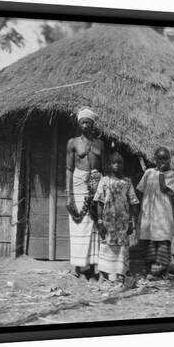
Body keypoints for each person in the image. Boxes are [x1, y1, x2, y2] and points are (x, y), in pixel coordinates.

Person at [66, 106, 106, 279]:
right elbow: (68, 169)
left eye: (88, 122)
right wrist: (69, 194)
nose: (85, 126)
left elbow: (102, 167)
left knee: (95, 221)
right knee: (79, 223)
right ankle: (77, 266)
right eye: (82, 122)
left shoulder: (99, 144)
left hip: (96, 180)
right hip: (78, 182)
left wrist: (103, 186)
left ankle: (93, 266)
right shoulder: (73, 142)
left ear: (93, 124)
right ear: (79, 124)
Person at [94, 152, 140, 283]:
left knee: (122, 247)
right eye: (114, 162)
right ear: (109, 165)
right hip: (108, 221)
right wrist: (100, 221)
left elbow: (134, 202)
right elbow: (99, 201)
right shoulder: (104, 181)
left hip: (123, 222)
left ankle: (121, 274)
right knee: (105, 245)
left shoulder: (127, 182)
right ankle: (103, 275)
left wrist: (132, 222)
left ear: (123, 165)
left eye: (119, 162)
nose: (117, 165)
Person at [136, 147, 174, 280]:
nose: (163, 161)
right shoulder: (148, 172)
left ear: (169, 160)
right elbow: (141, 189)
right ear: (155, 159)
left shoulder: (171, 174)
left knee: (163, 240)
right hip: (148, 212)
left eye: (165, 159)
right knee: (148, 241)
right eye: (160, 159)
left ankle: (164, 272)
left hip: (163, 213)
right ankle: (148, 271)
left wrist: (160, 174)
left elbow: (166, 189)